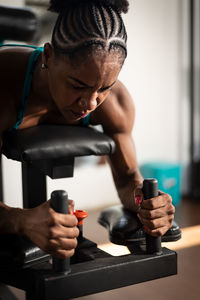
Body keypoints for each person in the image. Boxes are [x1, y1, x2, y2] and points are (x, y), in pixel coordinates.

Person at [0, 0, 175, 259]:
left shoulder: (117, 103)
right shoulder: (5, 86)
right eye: (77, 85)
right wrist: (22, 220)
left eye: (104, 87)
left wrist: (147, 204)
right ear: (48, 56)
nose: (91, 103)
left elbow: (128, 179)